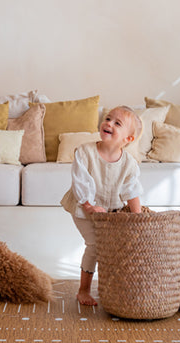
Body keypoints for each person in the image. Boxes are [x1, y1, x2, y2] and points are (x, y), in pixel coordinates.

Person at [61, 106, 143, 306]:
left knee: (113, 248)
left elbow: (131, 191)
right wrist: (89, 206)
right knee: (95, 246)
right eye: (108, 118)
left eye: (117, 123)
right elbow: (80, 182)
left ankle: (112, 287)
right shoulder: (85, 152)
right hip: (83, 208)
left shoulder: (129, 164)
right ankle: (83, 290)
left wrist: (138, 218)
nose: (108, 123)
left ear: (128, 139)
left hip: (109, 211)